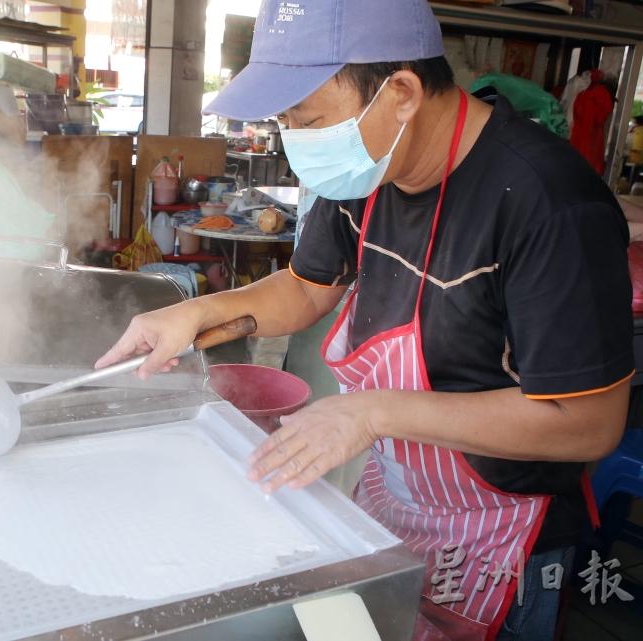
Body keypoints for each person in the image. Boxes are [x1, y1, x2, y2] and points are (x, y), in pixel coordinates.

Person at [96, 2, 633, 640]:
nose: (293, 139)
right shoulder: (367, 170)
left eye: (308, 119)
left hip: (501, 535)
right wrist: (196, 311)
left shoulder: (548, 205)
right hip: (395, 501)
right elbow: (305, 287)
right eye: (285, 121)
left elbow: (588, 423)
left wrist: (371, 412)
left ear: (401, 92)